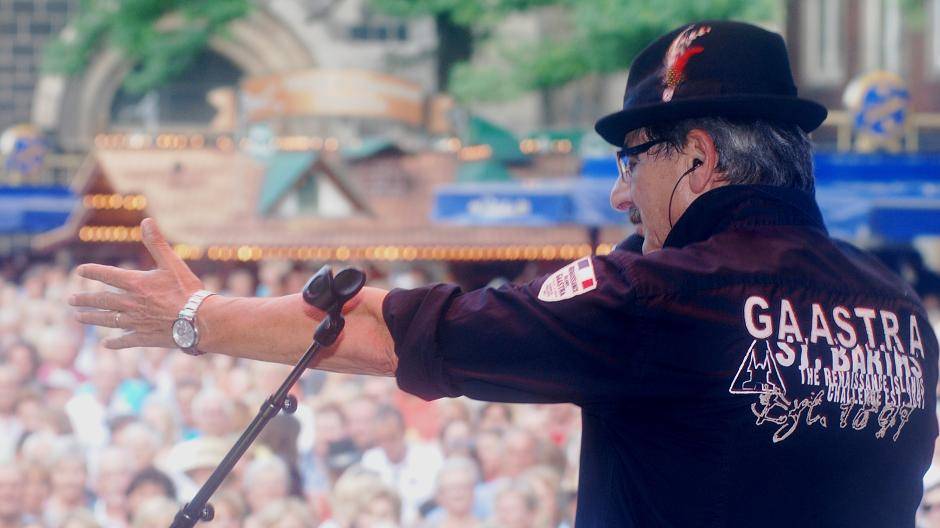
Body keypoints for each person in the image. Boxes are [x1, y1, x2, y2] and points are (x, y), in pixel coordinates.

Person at [70, 21, 939, 527]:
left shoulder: (662, 296)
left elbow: (400, 330)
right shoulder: (903, 314)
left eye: (632, 158)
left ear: (699, 156)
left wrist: (198, 316)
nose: (621, 194)